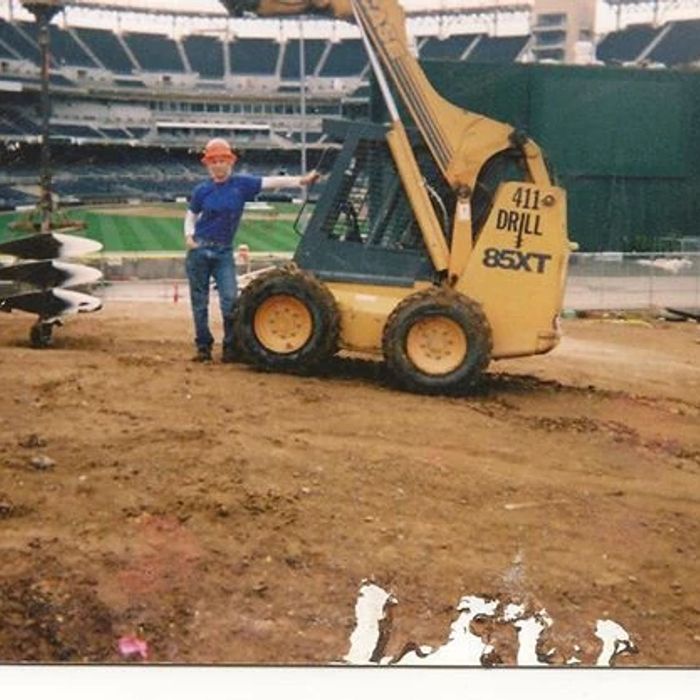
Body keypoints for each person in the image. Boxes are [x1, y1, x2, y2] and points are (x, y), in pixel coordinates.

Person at [184, 138, 319, 363]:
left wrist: (302, 181)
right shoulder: (201, 190)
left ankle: (230, 347)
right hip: (199, 250)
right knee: (200, 303)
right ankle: (203, 347)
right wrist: (189, 237)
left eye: (222, 160)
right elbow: (191, 215)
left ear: (230, 162)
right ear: (208, 164)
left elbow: (271, 181)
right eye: (214, 161)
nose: (218, 165)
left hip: (223, 252)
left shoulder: (241, 184)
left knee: (230, 301)